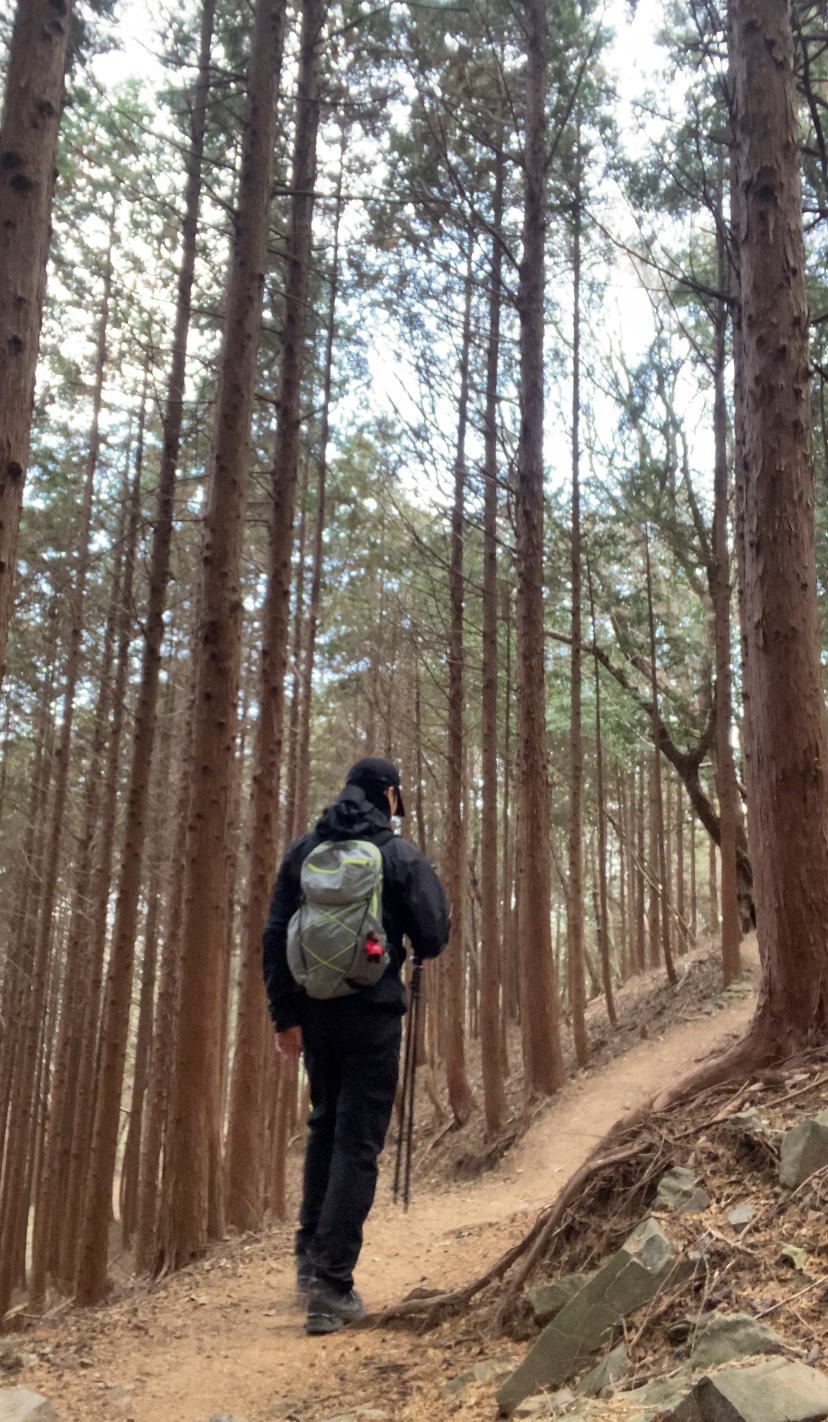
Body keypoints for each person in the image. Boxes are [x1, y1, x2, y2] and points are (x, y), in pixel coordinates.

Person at [263, 756, 449, 1335]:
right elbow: (433, 935)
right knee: (357, 1142)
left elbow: (275, 932)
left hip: (314, 1014)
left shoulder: (303, 851)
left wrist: (283, 1015)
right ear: (387, 796)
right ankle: (332, 1285)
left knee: (324, 1125)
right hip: (373, 1014)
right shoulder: (397, 854)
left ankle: (308, 1260)